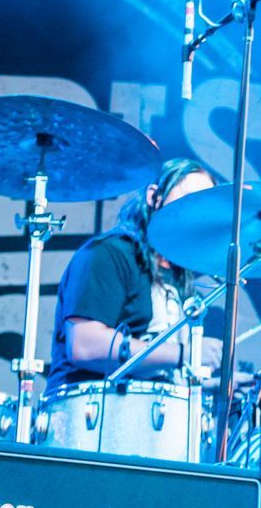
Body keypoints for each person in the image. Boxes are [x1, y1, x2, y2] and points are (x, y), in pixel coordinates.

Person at [46, 157, 224, 388]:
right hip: (96, 412)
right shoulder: (110, 254)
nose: (194, 215)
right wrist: (183, 354)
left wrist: (223, 388)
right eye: (187, 200)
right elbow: (84, 345)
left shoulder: (180, 273)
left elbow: (163, 375)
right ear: (154, 197)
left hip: (153, 413)